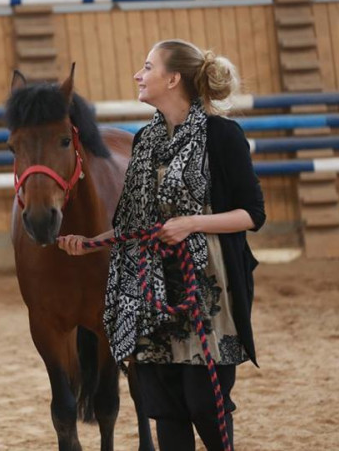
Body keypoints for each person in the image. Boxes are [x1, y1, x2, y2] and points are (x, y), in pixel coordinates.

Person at [58, 39, 265, 451]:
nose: (139, 74)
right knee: (166, 410)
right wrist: (92, 242)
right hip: (151, 294)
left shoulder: (222, 135)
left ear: (173, 79)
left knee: (206, 405)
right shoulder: (145, 141)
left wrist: (192, 224)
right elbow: (138, 222)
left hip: (209, 296)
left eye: (147, 67)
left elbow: (252, 214)